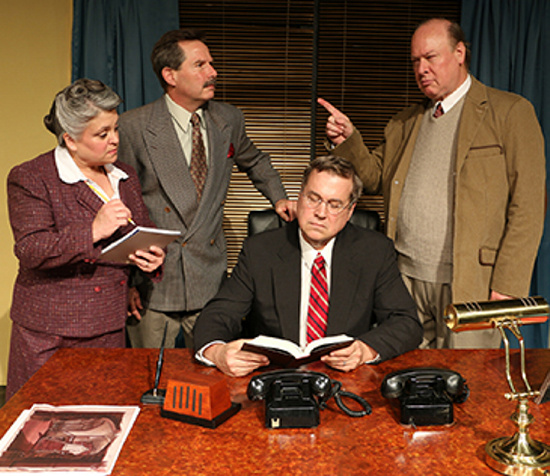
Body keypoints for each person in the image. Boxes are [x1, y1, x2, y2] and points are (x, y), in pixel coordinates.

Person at [318, 18, 546, 349]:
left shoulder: (510, 112)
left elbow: (529, 203)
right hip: (405, 280)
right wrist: (349, 140)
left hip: (472, 283)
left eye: (431, 57)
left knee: (467, 387)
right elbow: (373, 177)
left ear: (459, 53)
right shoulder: (405, 121)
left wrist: (508, 284)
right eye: (415, 61)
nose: (422, 68)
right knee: (409, 385)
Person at [118, 29, 295, 350]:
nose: (212, 72)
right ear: (170, 75)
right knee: (150, 382)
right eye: (200, 65)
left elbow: (255, 160)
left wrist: (279, 197)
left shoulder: (228, 119)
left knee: (211, 379)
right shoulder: (133, 126)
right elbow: (122, 206)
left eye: (211, 64)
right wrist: (127, 281)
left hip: (209, 279)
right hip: (155, 283)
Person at [6, 79, 165, 400]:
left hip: (107, 326)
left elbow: (139, 229)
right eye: (102, 134)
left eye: (115, 128)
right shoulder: (32, 177)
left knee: (100, 424)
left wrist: (148, 258)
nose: (115, 140)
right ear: (71, 140)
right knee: (40, 432)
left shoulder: (124, 174)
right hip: (51, 333)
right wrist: (93, 229)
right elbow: (31, 249)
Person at [193, 155, 422, 377]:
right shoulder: (260, 250)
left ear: (350, 211)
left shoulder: (374, 251)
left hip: (345, 379)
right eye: (313, 198)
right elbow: (218, 314)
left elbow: (406, 322)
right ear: (300, 196)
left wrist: (365, 350)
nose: (320, 213)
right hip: (276, 378)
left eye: (334, 205)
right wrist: (217, 352)